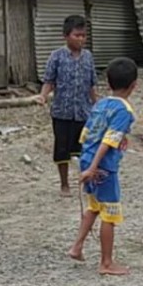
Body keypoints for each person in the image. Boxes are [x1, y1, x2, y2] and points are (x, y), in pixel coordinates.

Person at [69, 58, 139, 277]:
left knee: (93, 207)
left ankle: (77, 247)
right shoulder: (124, 110)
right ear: (134, 85)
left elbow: (86, 134)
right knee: (109, 213)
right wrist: (94, 167)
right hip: (103, 167)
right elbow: (108, 141)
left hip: (87, 158)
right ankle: (106, 263)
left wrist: (86, 164)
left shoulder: (100, 104)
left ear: (108, 84)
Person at [37, 15, 97, 196]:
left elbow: (92, 84)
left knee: (84, 149)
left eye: (83, 36)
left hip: (83, 112)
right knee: (62, 149)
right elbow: (49, 80)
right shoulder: (56, 56)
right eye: (77, 35)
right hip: (62, 112)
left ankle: (86, 181)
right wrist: (42, 96)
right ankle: (64, 184)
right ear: (65, 36)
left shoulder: (88, 57)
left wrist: (97, 106)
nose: (81, 39)